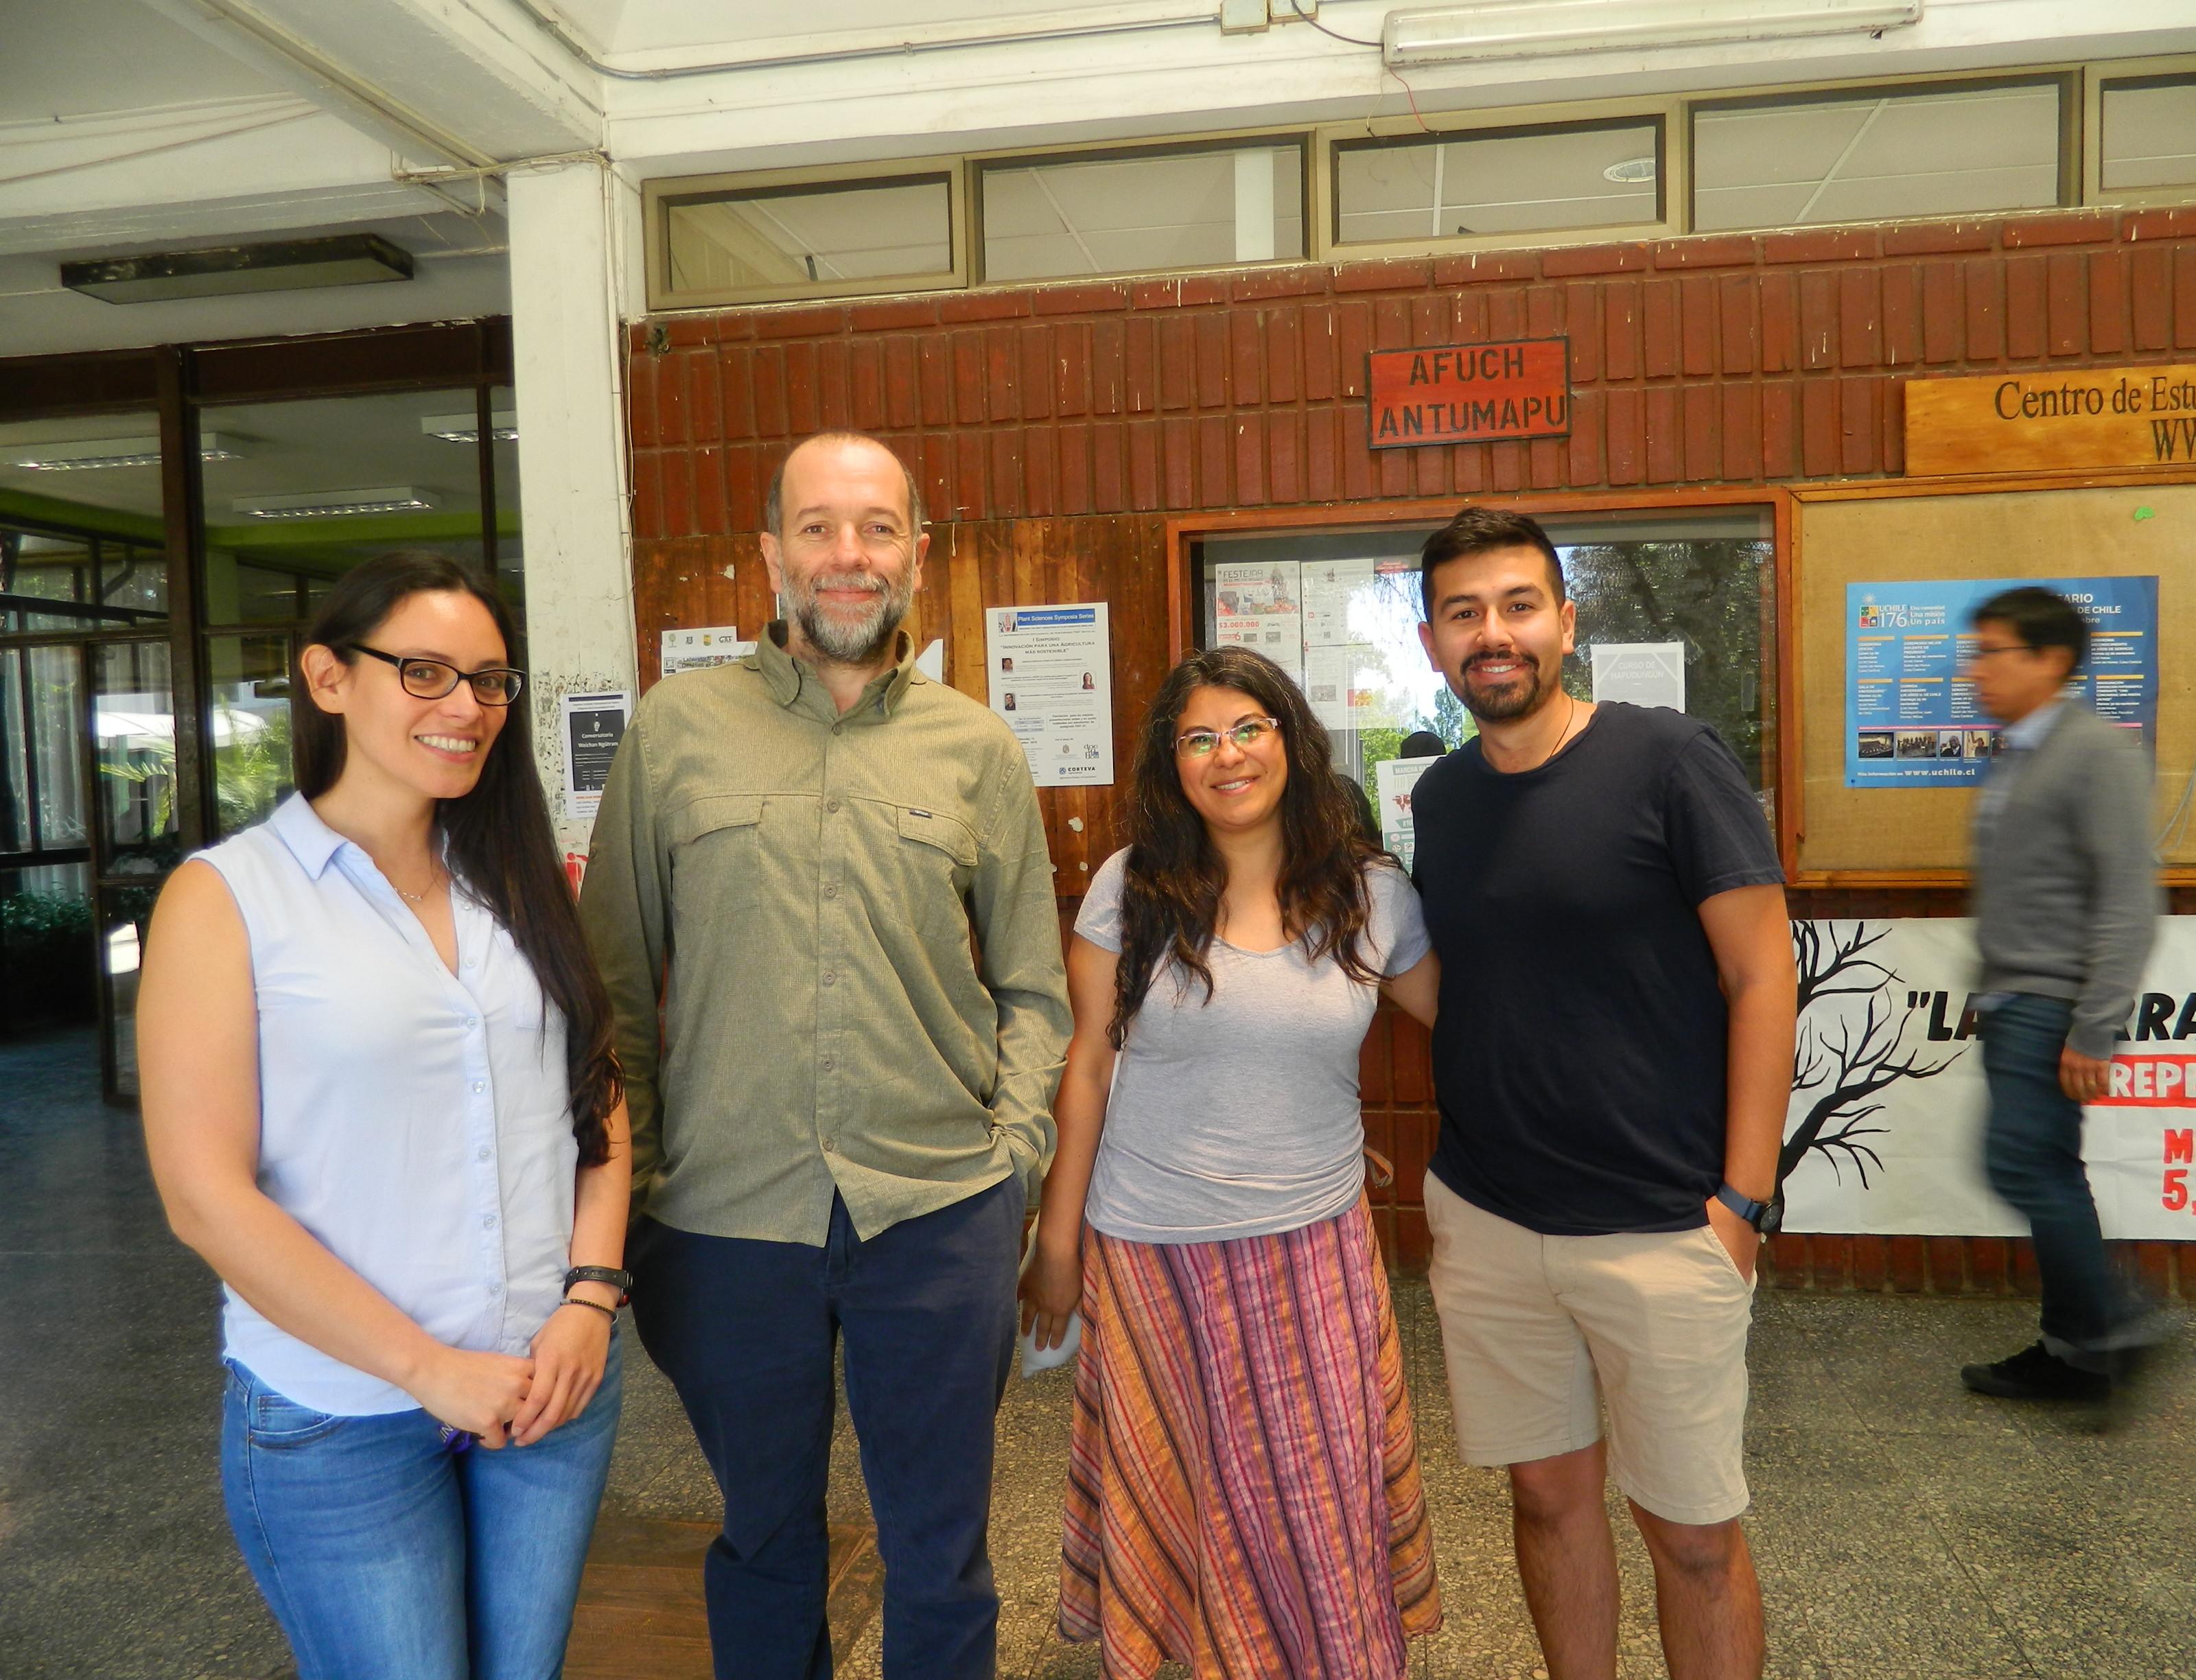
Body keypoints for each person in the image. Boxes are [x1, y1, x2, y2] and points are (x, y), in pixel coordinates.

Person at [579, 430, 1071, 1680]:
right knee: (763, 1540)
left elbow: (1031, 985)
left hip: (936, 1207)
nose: (846, 555)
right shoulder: (675, 731)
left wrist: (1009, 1160)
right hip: (725, 1218)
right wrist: (631, 1196)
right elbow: (615, 982)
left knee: (938, 1547)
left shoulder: (977, 748)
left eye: (874, 527)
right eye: (816, 526)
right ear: (768, 553)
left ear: (916, 550)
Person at [138, 551, 632, 1680]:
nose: (465, 706)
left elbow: (597, 1097)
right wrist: (421, 1365)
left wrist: (591, 1302)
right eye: (423, 671)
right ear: (326, 678)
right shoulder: (229, 898)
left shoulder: (517, 881)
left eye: (490, 680)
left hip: (545, 1388)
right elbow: (203, 1196)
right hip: (342, 1416)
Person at [1407, 508, 1795, 1680]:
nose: (1494, 634)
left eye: (1518, 606)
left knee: (1687, 1533)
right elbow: (1475, 983)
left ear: (1563, 623)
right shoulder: (1440, 799)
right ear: (1431, 642)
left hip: (1662, 1220)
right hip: (1488, 1218)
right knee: (1545, 1499)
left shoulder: (1666, 758)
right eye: (1464, 612)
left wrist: (1740, 1198)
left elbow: (1759, 971)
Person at [1020, 644, 1445, 1680]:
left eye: (1248, 730)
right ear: (1173, 765)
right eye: (1199, 738)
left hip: (1316, 1260)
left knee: (1318, 1507)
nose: (1228, 756)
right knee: (1192, 1508)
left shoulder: (1369, 894)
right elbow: (1087, 1069)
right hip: (1155, 1256)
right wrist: (1057, 1241)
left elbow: (1473, 1034)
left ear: (1291, 742)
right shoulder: (1131, 888)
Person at [1958, 586, 2164, 1408]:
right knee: (2048, 1170)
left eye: (1992, 652)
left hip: (2051, 1008)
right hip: (2016, 1000)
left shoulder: (2093, 753)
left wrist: (2096, 1027)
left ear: (2051, 660)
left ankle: (2115, 1325)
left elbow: (2128, 901)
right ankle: (2075, 1353)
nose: (1976, 670)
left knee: (2018, 1164)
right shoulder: (2019, 752)